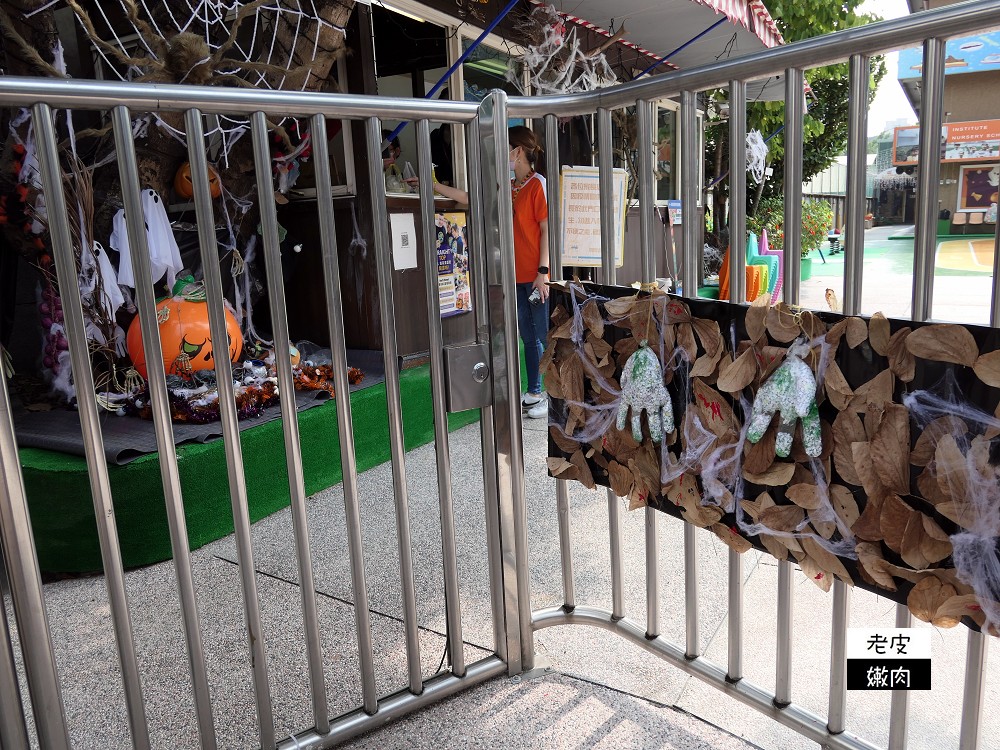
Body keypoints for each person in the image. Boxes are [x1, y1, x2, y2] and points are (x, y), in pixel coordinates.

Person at [408, 126, 550, 419]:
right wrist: (433, 185)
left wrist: (544, 271)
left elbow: (546, 229)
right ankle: (536, 391)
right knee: (527, 334)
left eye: (506, 149)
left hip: (536, 275)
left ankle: (556, 394)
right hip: (515, 275)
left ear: (518, 151)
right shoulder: (509, 186)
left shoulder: (538, 185)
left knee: (545, 335)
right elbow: (471, 197)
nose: (503, 156)